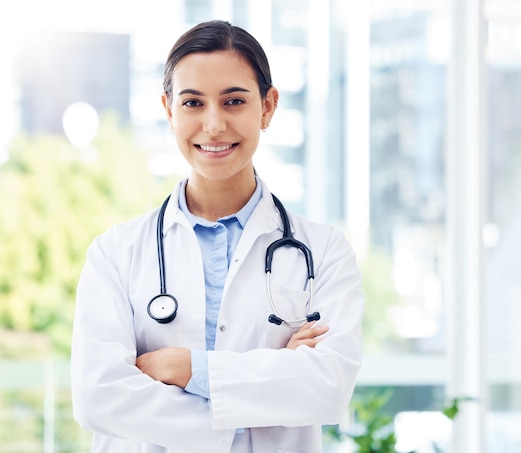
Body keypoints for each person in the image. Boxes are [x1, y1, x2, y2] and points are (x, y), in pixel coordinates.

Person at [71, 20, 364, 453]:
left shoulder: (324, 251)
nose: (213, 125)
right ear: (169, 109)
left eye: (234, 101)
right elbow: (99, 397)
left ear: (267, 107)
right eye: (192, 102)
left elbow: (327, 388)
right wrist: (266, 390)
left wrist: (192, 371)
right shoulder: (115, 253)